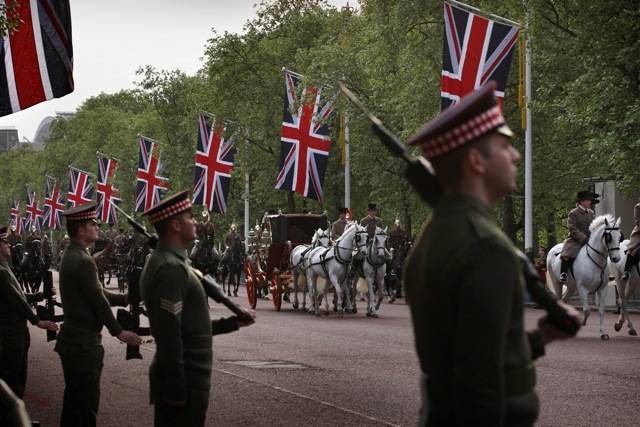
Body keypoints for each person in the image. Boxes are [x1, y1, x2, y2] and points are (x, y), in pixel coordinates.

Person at [403, 82, 579, 426]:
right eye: (504, 145)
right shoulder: (485, 248)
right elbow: (478, 384)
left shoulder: (437, 237)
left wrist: (544, 337)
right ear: (475, 161)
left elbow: (478, 356)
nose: (515, 156)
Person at [139, 190, 256, 426]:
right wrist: (176, 389)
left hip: (191, 377)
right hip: (186, 380)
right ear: (175, 225)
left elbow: (191, 328)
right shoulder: (171, 268)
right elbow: (170, 335)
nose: (194, 222)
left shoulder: (175, 263)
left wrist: (232, 323)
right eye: (189, 217)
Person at [55, 203, 142, 427]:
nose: (97, 227)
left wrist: (125, 299)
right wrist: (119, 331)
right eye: (92, 224)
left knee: (75, 405)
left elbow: (98, 292)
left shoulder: (76, 255)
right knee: (85, 408)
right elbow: (98, 301)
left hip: (76, 340)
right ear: (81, 230)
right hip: (82, 344)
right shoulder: (83, 260)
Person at [0, 226, 58, 398]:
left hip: (16, 332)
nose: (8, 245)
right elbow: (17, 300)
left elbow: (20, 295)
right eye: (4, 242)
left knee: (17, 378)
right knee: (13, 381)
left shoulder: (5, 268)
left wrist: (40, 295)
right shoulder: (1, 272)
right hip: (9, 333)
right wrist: (37, 320)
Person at [559, 191, 597, 283]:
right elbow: (572, 228)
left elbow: (595, 226)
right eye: (588, 201)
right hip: (576, 239)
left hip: (590, 239)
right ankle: (563, 273)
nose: (590, 202)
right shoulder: (573, 213)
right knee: (567, 254)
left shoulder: (591, 213)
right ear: (582, 202)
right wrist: (583, 238)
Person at [622, 198, 640, 280]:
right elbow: (637, 220)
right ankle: (627, 271)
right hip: (639, 232)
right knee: (633, 250)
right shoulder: (638, 206)